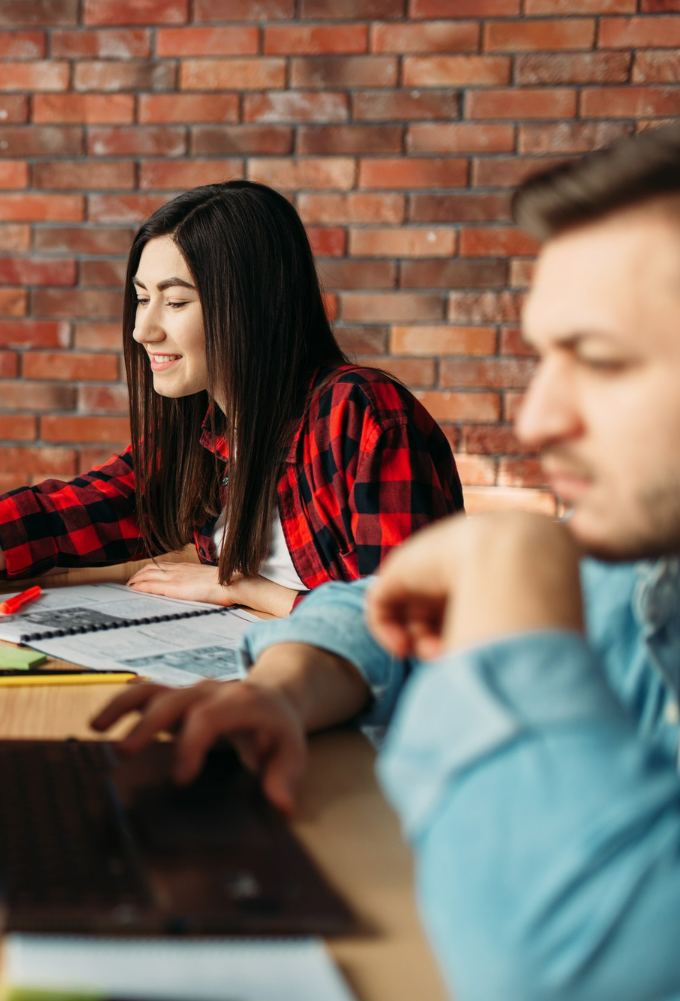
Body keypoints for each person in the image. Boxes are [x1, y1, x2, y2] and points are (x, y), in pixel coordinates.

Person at [100, 125, 680, 1000]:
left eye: (599, 359)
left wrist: (510, 619)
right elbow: (374, 601)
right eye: (545, 357)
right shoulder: (630, 567)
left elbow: (562, 969)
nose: (537, 420)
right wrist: (283, 691)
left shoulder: (356, 412)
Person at [0, 180, 463, 617]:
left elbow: (402, 622)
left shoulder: (358, 414)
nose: (144, 330)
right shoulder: (211, 432)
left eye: (176, 301)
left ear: (250, 309)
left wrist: (242, 588)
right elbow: (69, 513)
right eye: (142, 298)